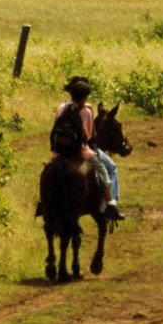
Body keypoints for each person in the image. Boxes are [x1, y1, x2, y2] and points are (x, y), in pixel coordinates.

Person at [55, 76, 124, 221]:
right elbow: (89, 135)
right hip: (81, 151)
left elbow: (55, 127)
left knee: (49, 168)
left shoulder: (62, 107)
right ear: (85, 96)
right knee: (107, 170)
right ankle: (110, 205)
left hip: (60, 151)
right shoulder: (87, 110)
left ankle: (42, 202)